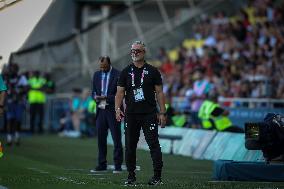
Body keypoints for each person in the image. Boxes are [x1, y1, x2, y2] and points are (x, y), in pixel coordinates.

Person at [115, 41, 166, 186]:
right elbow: (119, 93)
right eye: (132, 50)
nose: (134, 53)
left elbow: (160, 93)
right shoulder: (125, 71)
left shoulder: (153, 71)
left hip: (149, 114)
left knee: (154, 144)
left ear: (144, 52)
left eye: (138, 50)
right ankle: (131, 177)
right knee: (130, 146)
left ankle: (157, 176)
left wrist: (162, 112)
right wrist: (117, 109)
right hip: (131, 114)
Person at [91, 56, 123, 173]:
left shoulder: (118, 74)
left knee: (116, 139)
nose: (102, 69)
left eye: (104, 67)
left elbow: (120, 94)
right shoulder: (96, 75)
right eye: (100, 67)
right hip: (101, 109)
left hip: (114, 110)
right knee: (101, 139)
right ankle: (102, 164)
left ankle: (118, 165)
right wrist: (95, 97)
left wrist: (106, 97)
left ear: (109, 64)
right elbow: (93, 91)